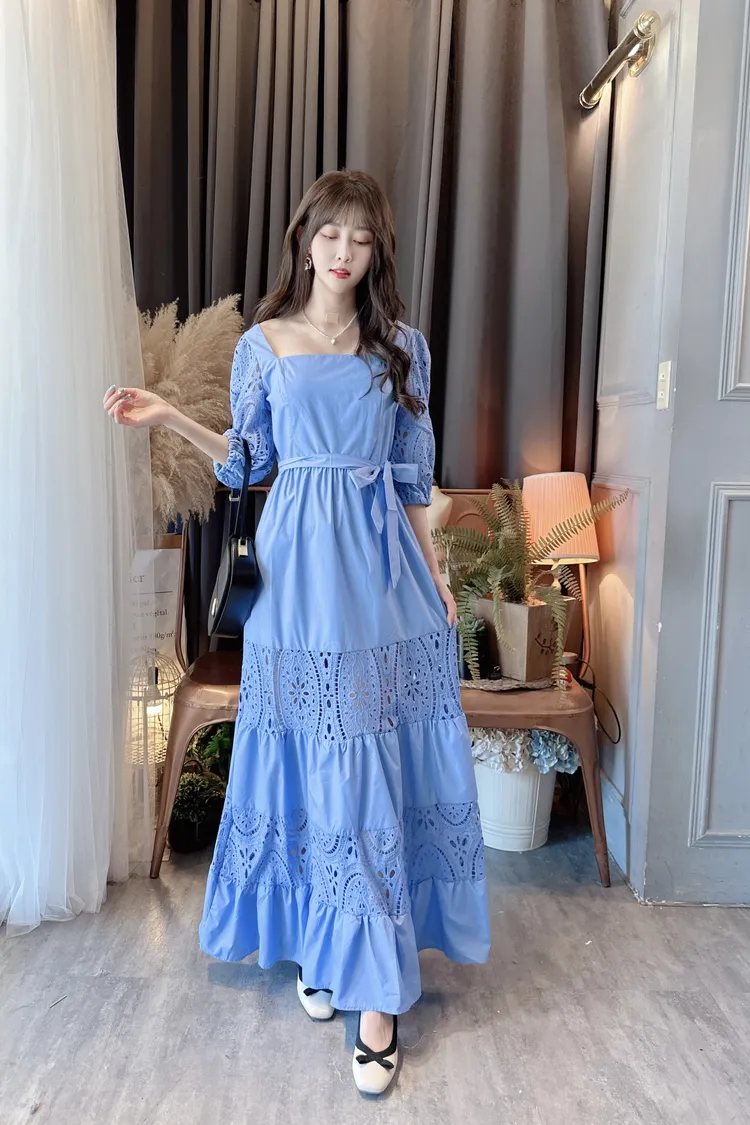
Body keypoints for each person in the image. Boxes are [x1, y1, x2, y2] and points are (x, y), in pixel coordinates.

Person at [104, 169, 490, 1095]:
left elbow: (412, 480)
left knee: (364, 759)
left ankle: (376, 994)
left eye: (360, 237)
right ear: (304, 239)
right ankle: (326, 942)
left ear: (377, 248)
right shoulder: (264, 344)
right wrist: (171, 415)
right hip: (294, 578)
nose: (343, 252)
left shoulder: (402, 348)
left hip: (379, 575)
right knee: (305, 753)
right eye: (329, 234)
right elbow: (248, 462)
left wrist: (438, 578)